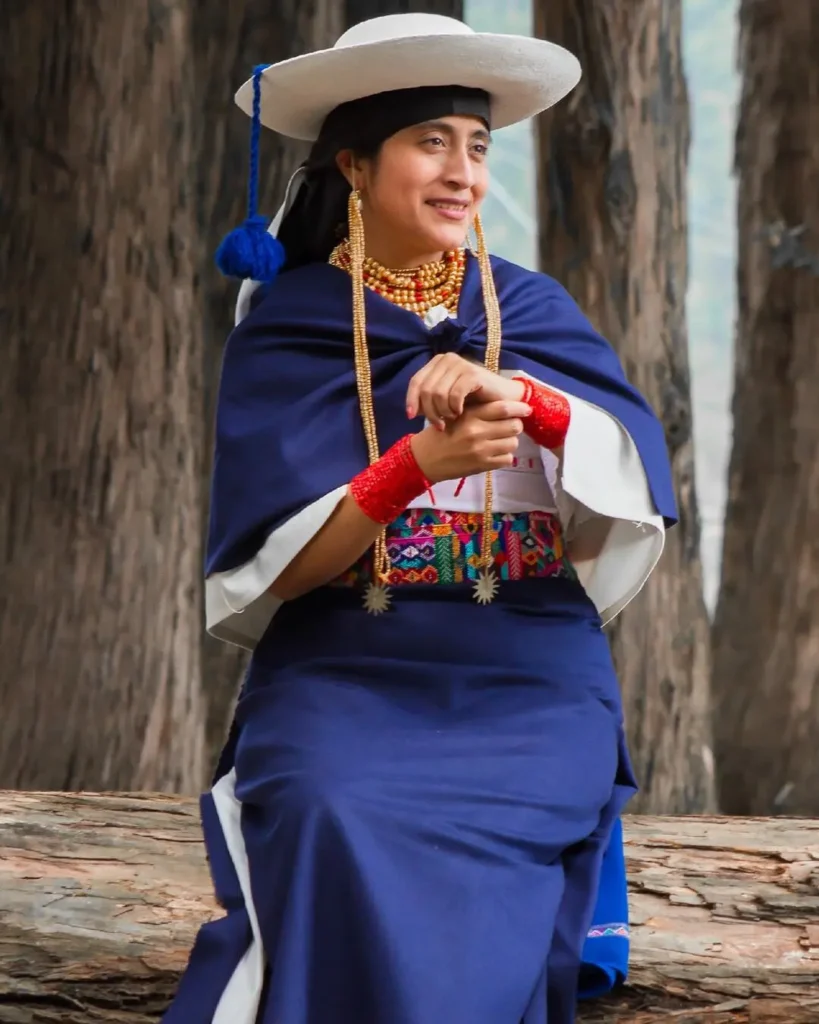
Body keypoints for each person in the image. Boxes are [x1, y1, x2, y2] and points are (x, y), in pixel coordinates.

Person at [163, 13, 676, 1024]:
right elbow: (272, 571)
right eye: (430, 142)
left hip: (526, 670)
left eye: (477, 146)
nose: (462, 172)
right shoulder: (288, 331)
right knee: (325, 810)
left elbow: (621, 495)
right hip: (347, 662)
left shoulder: (529, 312)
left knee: (500, 860)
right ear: (355, 164)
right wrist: (412, 467)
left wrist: (528, 402)